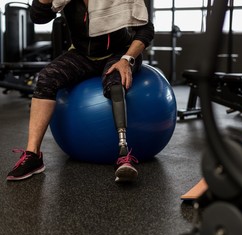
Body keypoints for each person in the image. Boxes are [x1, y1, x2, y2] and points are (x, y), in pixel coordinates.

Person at [6, 0, 154, 182]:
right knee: (46, 78)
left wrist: (127, 59)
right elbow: (38, 16)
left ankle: (124, 154)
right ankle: (33, 155)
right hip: (82, 54)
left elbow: (146, 29)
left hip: (120, 53)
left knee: (115, 81)